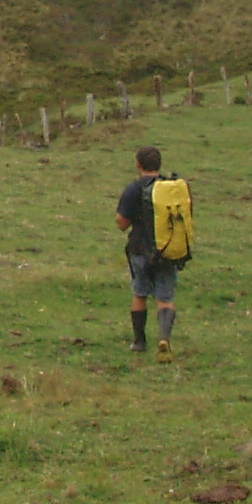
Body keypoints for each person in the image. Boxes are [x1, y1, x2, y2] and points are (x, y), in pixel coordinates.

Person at [115, 144, 180, 358]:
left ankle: (139, 341)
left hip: (139, 249)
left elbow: (122, 223)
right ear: (159, 164)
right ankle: (164, 339)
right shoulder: (170, 188)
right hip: (167, 249)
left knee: (140, 293)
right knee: (165, 297)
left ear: (138, 164)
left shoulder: (133, 189)